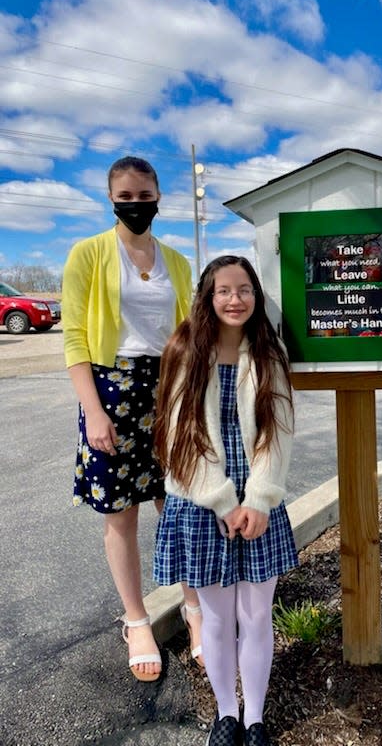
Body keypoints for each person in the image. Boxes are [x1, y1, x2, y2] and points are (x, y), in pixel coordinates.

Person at [62, 155, 203, 683]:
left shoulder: (177, 262)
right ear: (111, 198)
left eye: (145, 197)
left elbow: (191, 334)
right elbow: (74, 336)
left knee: (182, 505)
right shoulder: (89, 254)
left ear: (159, 197)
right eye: (126, 197)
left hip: (169, 389)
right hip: (110, 389)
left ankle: (195, 610)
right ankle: (137, 620)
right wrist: (93, 412)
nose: (136, 206)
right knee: (121, 513)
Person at [153, 255, 298, 746]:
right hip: (200, 500)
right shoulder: (185, 348)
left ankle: (255, 718)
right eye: (223, 290)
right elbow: (179, 435)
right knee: (215, 618)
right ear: (208, 297)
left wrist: (257, 500)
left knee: (256, 615)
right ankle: (226, 715)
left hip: (260, 501)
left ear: (256, 296)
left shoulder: (268, 353)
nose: (234, 299)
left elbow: (278, 433)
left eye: (244, 290)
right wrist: (222, 501)